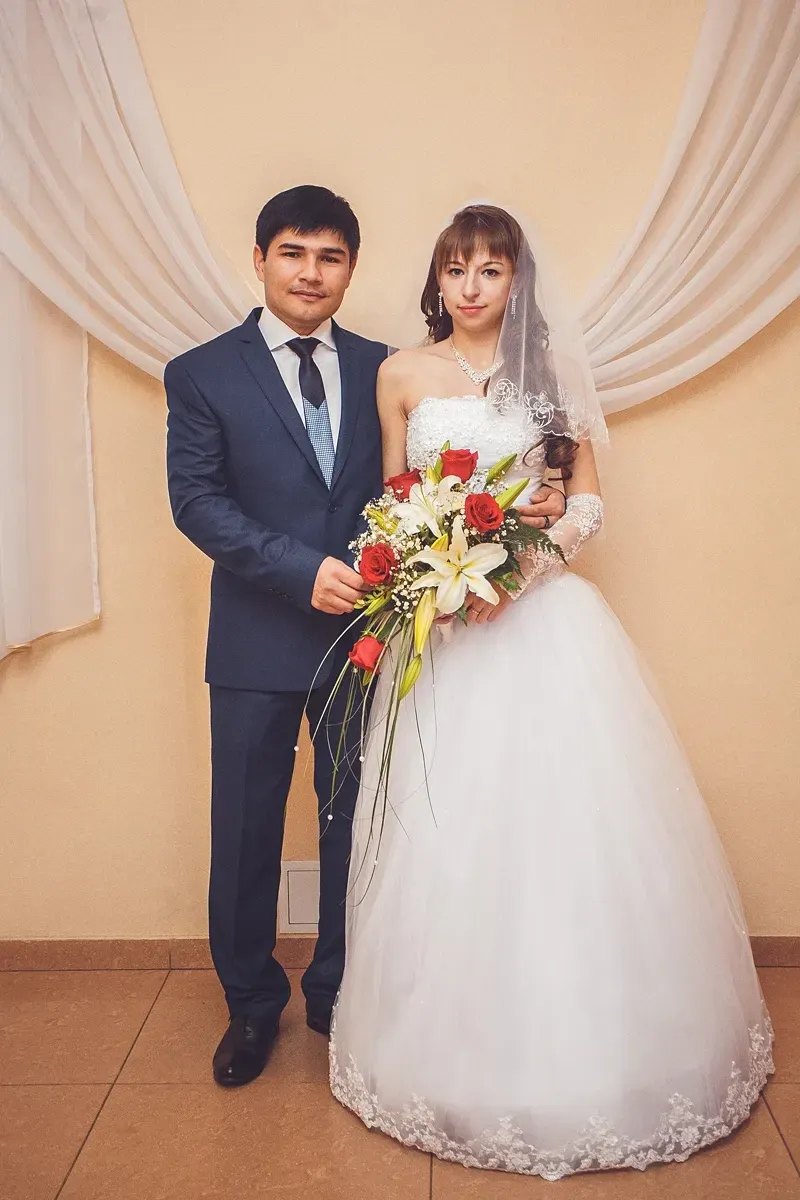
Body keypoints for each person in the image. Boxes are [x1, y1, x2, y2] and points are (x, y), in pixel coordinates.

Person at [329, 204, 773, 1179]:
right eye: (456, 268)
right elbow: (394, 500)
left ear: (516, 281)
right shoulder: (400, 373)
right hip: (444, 634)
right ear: (436, 279)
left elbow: (586, 504)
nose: (471, 286)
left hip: (540, 623)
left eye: (490, 269)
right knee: (444, 830)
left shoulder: (553, 376)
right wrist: (436, 567)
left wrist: (515, 571)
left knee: (564, 829)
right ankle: (436, 1051)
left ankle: (598, 1049)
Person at [165, 186, 567, 1088]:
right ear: (260, 259)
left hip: (370, 636)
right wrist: (297, 569)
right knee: (246, 828)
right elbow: (196, 502)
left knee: (361, 820)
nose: (311, 273)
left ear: (352, 268)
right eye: (293, 253)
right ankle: (250, 1004)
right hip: (254, 639)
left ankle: (339, 988)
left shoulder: (387, 366)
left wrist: (506, 530)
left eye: (331, 257)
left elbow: (406, 493)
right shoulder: (201, 373)